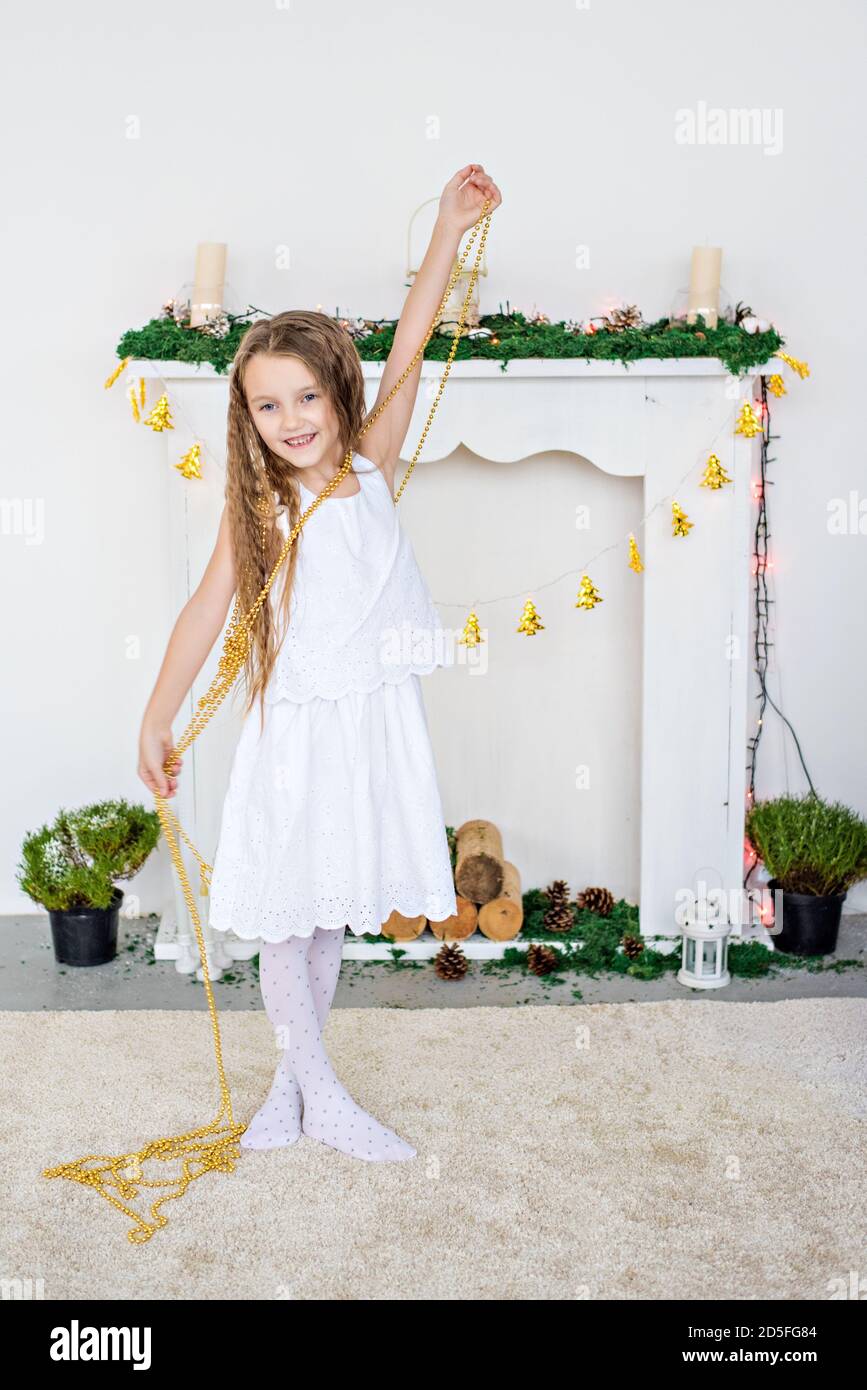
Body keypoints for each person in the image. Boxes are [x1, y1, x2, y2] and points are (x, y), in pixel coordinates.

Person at [137, 164, 503, 1163]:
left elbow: (415, 336)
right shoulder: (258, 509)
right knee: (285, 916)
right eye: (267, 406)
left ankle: (294, 1088)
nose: (291, 418)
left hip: (368, 727)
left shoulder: (371, 461)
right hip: (292, 730)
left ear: (337, 394)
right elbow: (205, 611)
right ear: (245, 420)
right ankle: (320, 1092)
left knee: (331, 906)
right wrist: (154, 718)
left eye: (305, 395)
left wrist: (447, 227)